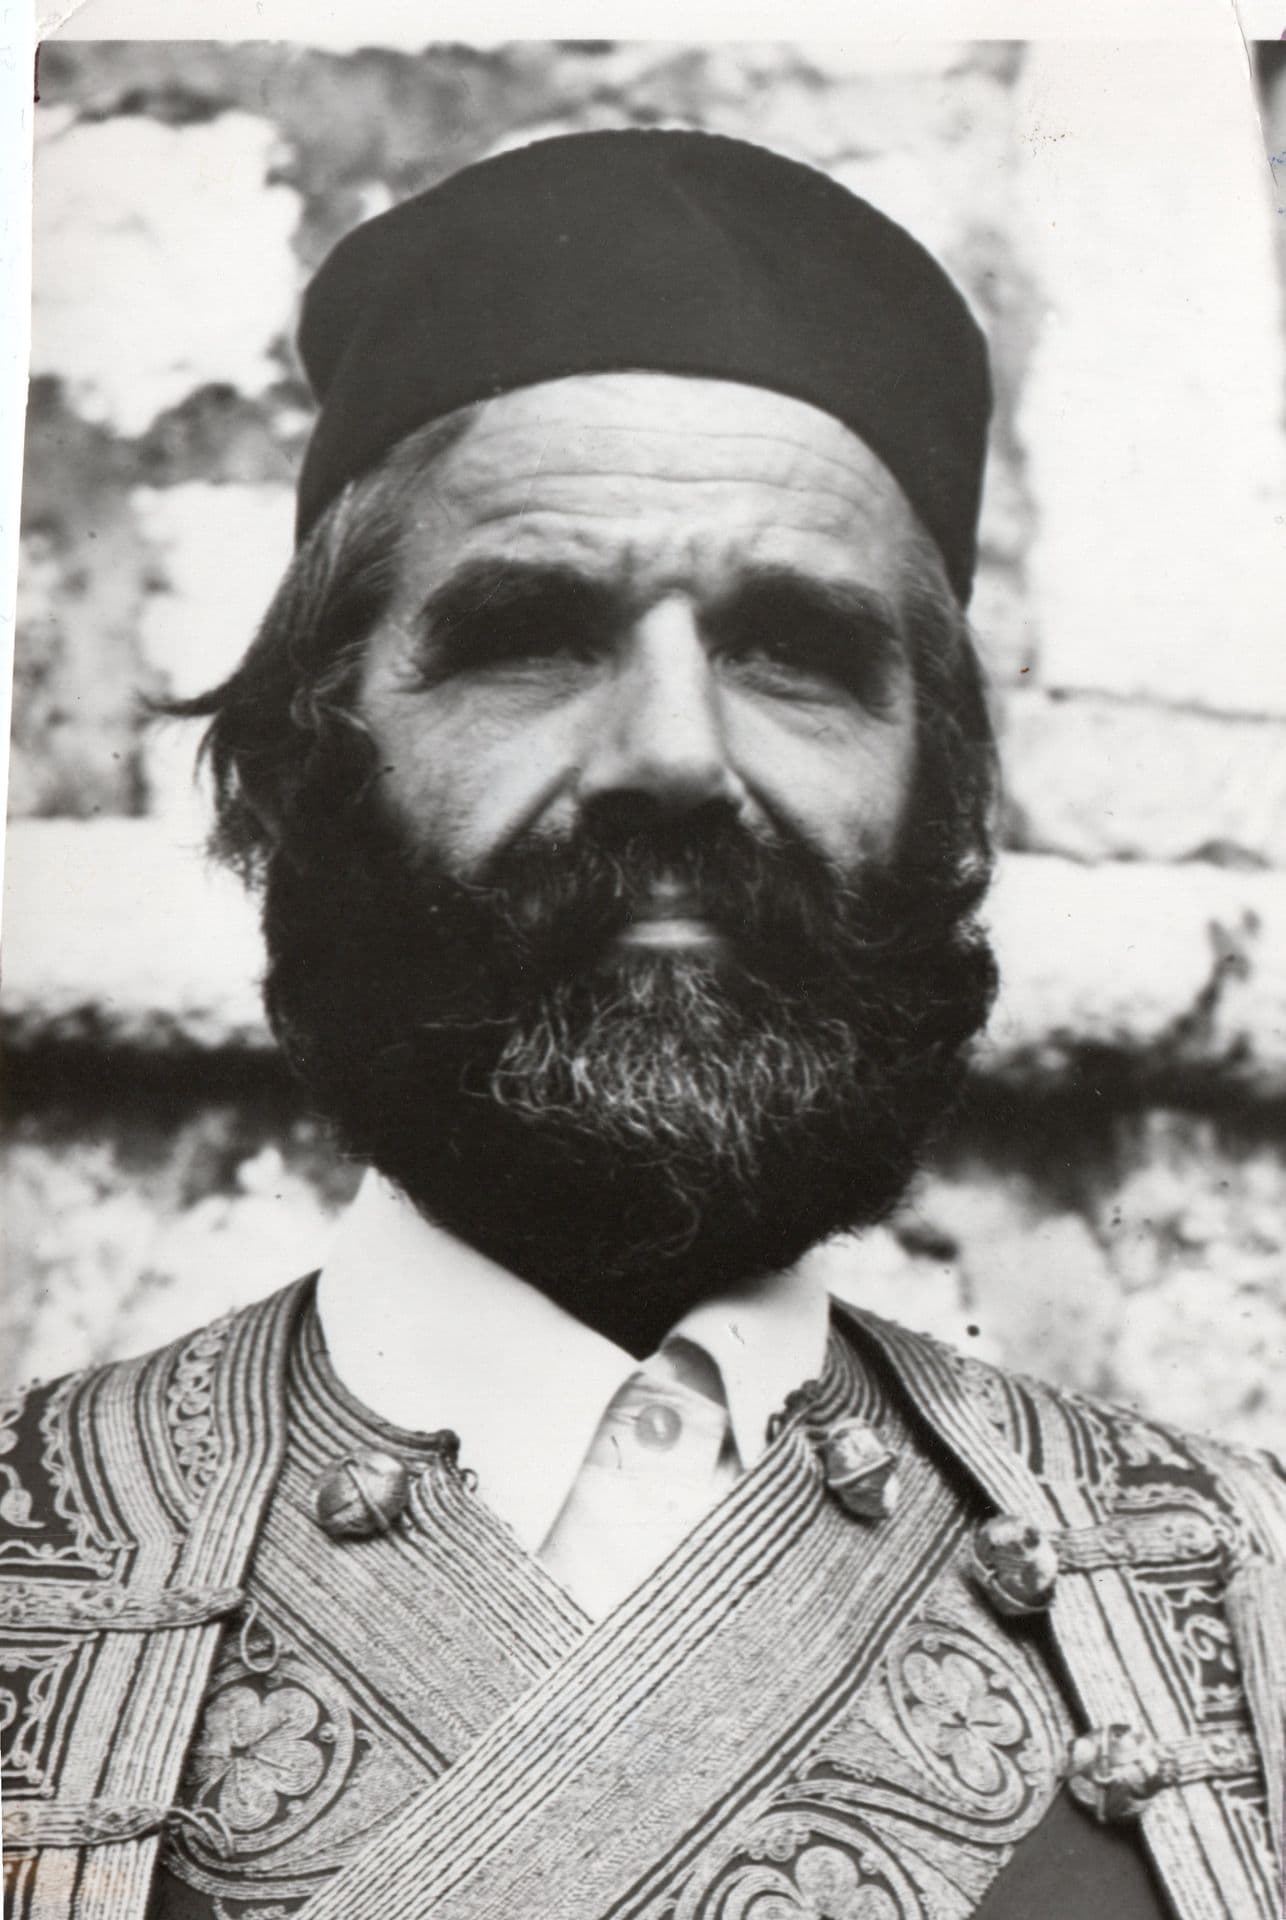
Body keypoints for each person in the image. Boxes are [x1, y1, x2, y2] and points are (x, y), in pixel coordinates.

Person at [2, 130, 1283, 1920]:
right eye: (531, 634)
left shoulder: (1243, 1596)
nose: (674, 754)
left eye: (795, 652)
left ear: (940, 799)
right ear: (300, 770)